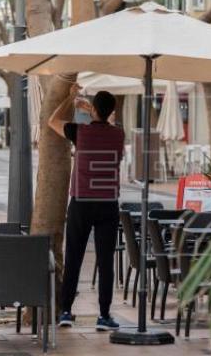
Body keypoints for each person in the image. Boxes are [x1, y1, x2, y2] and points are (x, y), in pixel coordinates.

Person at [48, 84, 124, 331]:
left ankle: (67, 311)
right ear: (111, 111)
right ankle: (103, 315)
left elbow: (52, 120)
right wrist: (92, 109)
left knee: (74, 258)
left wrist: (71, 98)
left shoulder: (79, 132)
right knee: (105, 262)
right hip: (108, 204)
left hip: (81, 202)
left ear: (93, 110)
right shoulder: (118, 135)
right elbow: (105, 119)